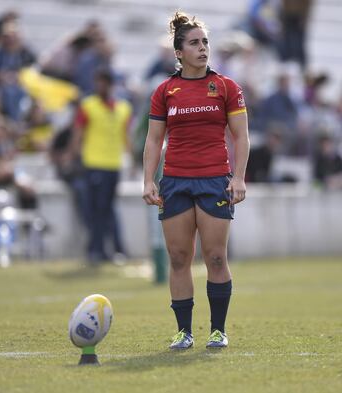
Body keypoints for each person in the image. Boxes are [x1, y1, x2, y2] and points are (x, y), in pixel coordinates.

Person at [142, 11, 250, 349]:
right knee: (178, 258)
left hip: (214, 180)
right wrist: (148, 180)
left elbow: (242, 137)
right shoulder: (165, 91)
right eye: (194, 43)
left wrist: (239, 178)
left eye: (205, 42)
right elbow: (153, 140)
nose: (202, 48)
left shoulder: (227, 87)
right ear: (179, 52)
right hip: (175, 182)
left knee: (216, 257)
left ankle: (218, 330)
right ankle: (184, 331)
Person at [71, 67, 132, 263]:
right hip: (94, 164)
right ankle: (101, 250)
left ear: (110, 84)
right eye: (97, 82)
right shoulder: (88, 105)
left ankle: (104, 250)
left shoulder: (123, 108)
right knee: (98, 209)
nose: (99, 86)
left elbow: (126, 137)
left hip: (113, 165)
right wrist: (75, 156)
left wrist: (131, 162)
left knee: (106, 208)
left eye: (103, 82)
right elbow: (78, 134)